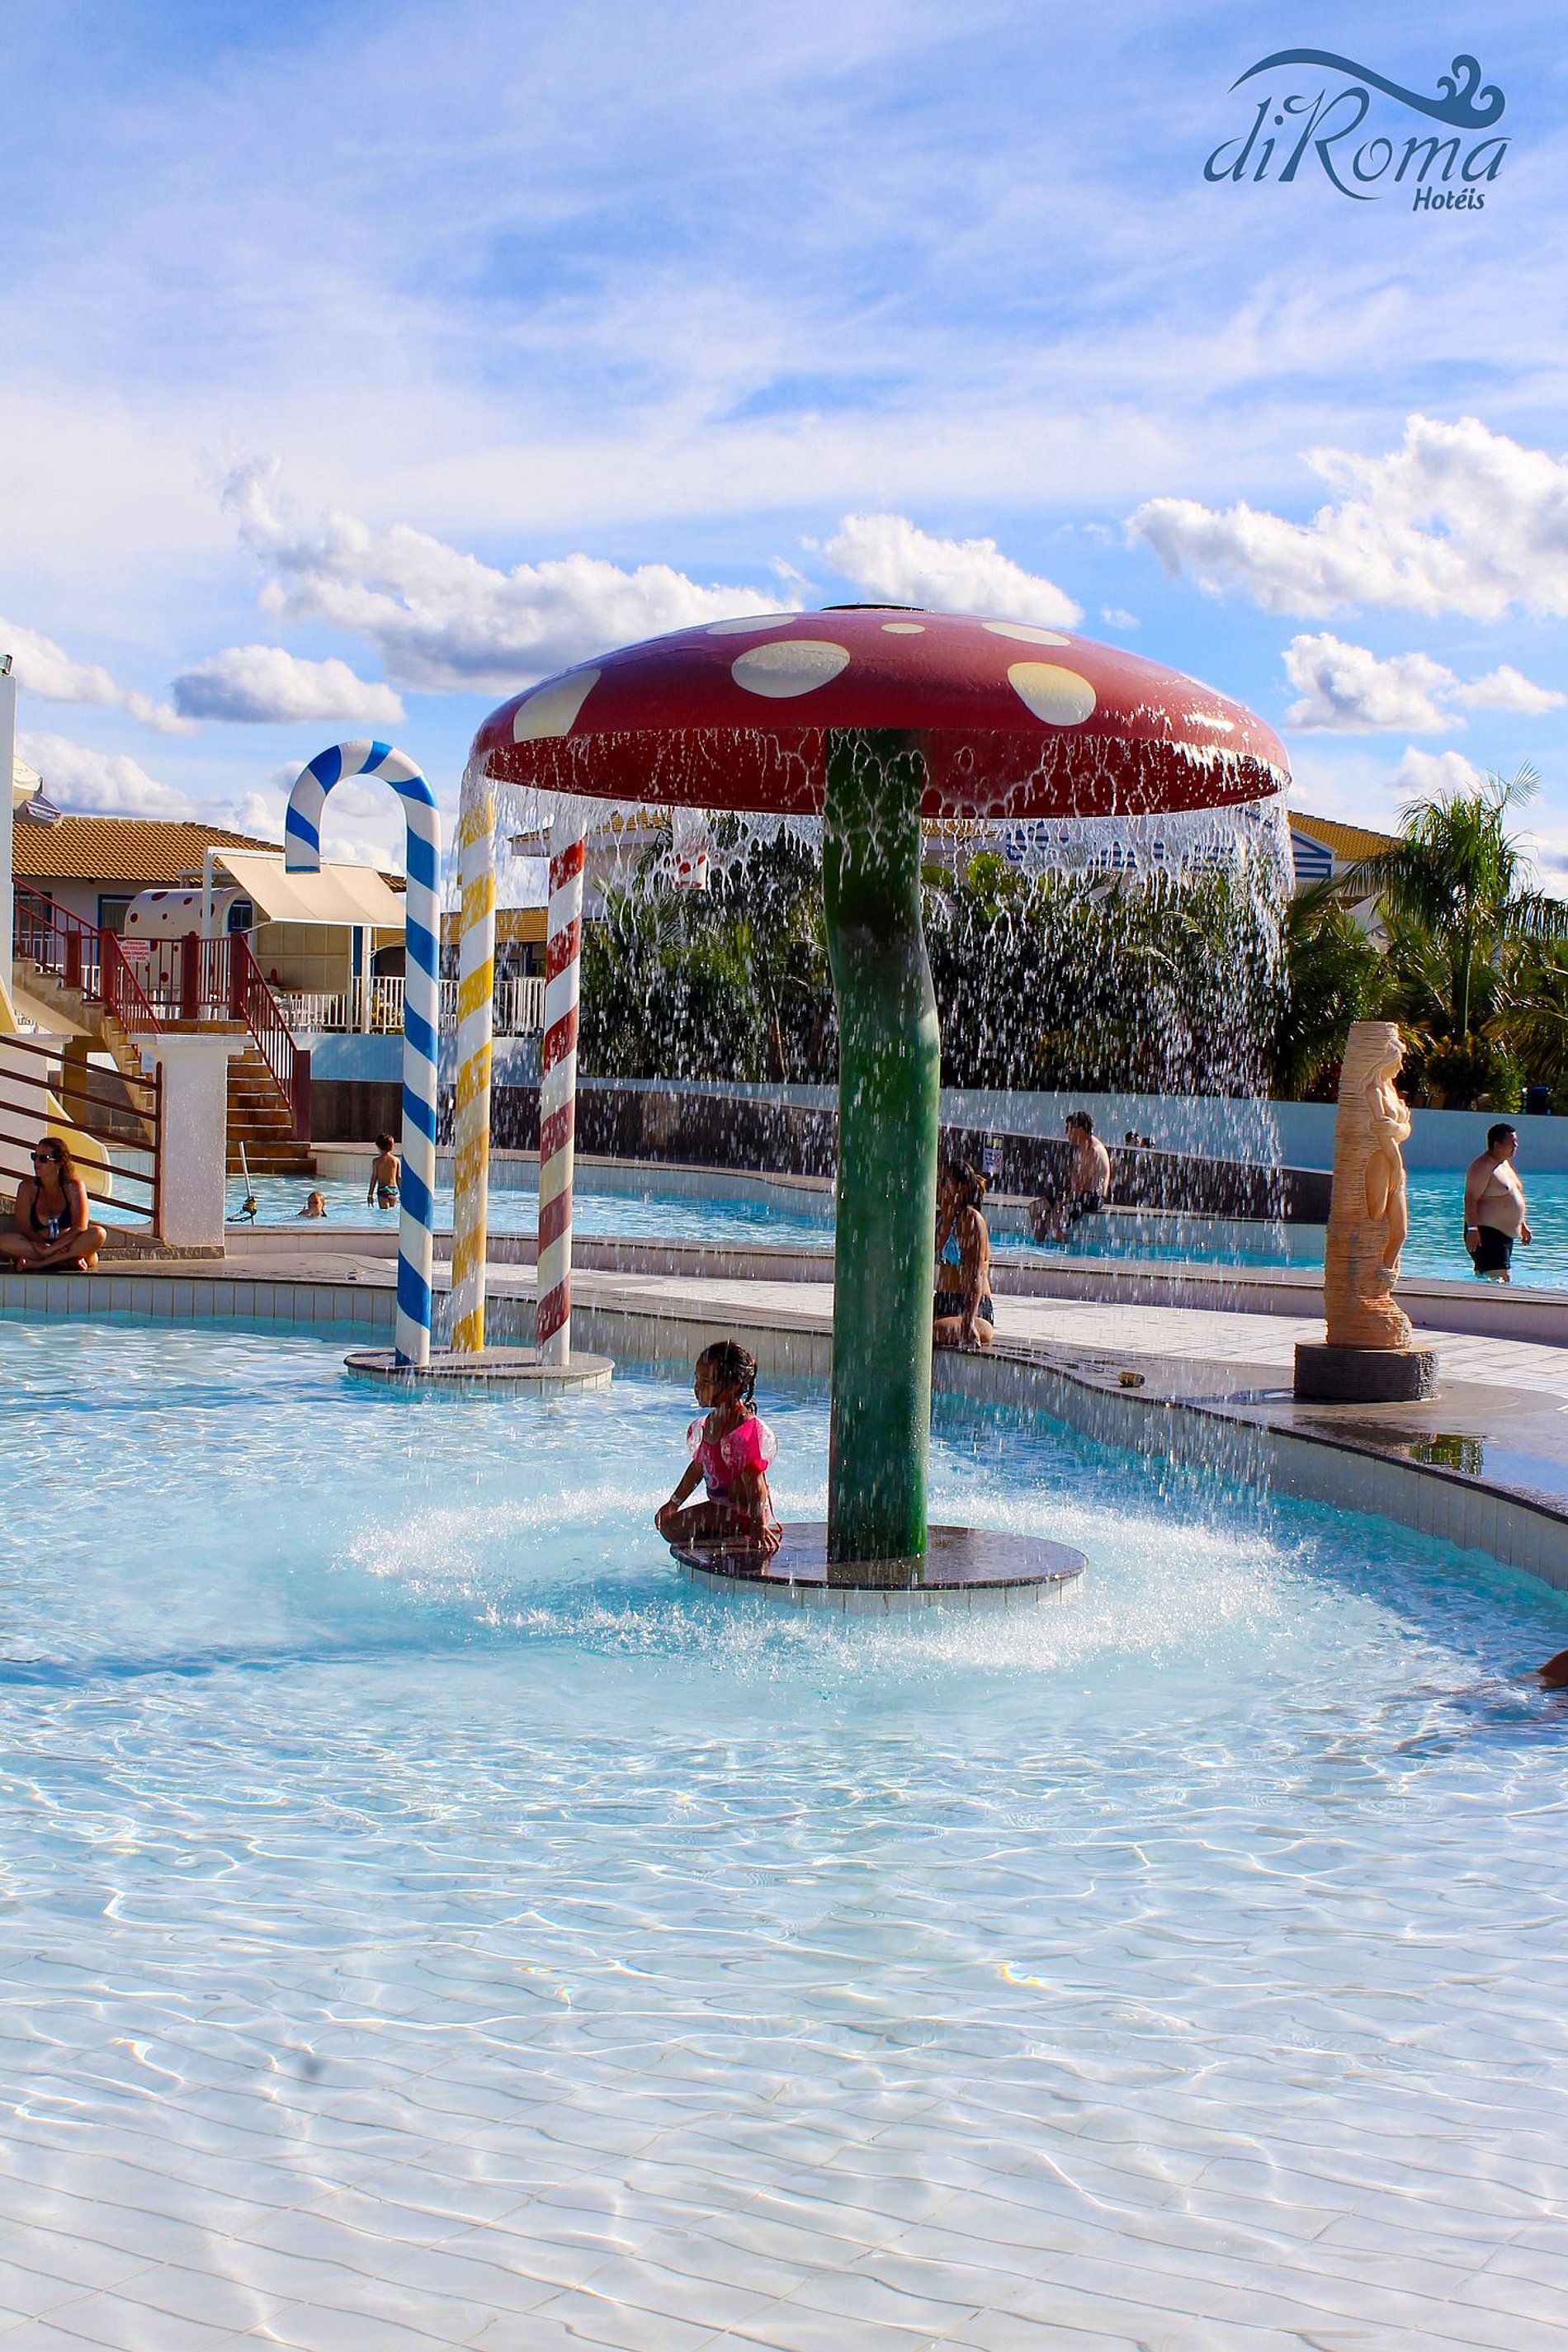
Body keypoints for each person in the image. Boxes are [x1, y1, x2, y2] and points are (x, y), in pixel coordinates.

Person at [656, 1339, 782, 1557]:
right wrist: (673, 1502)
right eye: (697, 1379)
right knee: (669, 1525)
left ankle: (736, 1532)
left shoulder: (741, 1430)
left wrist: (758, 1525)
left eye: (706, 1382)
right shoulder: (710, 1423)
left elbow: (756, 1484)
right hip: (723, 1507)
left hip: (742, 1513)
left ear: (733, 1385)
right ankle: (723, 1536)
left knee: (671, 1529)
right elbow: (698, 1467)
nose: (697, 1387)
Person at [5, 1138, 107, 1271]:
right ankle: (65, 1261)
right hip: (41, 1247)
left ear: (59, 1163)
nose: (36, 1163)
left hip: (68, 1244)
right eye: (34, 1157)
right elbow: (25, 1228)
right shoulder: (27, 1188)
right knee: (4, 1241)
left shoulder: (74, 1187)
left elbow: (80, 1227)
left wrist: (53, 1248)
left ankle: (41, 1264)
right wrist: (43, 1245)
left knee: (98, 1233)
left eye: (43, 1159)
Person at [933, 1159, 994, 1349]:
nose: (937, 1187)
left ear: (962, 1188)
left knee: (925, 1333)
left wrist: (968, 1322)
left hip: (974, 1310)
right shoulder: (937, 1220)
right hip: (943, 1302)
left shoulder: (971, 1220)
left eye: (944, 1182)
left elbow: (976, 1275)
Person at [1031, 1112, 1112, 1242]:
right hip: (1078, 1194)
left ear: (1079, 1129)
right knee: (1035, 1208)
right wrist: (1061, 1199)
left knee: (1055, 1224)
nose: (1066, 1133)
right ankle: (1038, 1246)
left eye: (1068, 1128)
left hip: (1091, 1197)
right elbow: (1075, 1182)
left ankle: (1062, 1251)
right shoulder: (1083, 1147)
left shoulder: (1092, 1150)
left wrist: (1061, 1203)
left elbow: (1082, 1187)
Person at [1464, 1122, 1530, 1282]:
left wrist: (1522, 1224)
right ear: (1497, 1145)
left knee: (1488, 1279)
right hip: (1487, 1232)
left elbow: (1512, 1196)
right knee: (1501, 1279)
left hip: (1504, 1234)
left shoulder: (1504, 1164)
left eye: (1516, 1142)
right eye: (1511, 1143)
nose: (1515, 1146)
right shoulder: (1482, 1166)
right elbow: (1470, 1198)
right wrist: (1472, 1229)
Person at [367, 1133, 400, 1211]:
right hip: (393, 1189)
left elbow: (374, 1178)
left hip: (383, 1190)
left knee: (384, 1211)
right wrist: (403, 1193)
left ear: (378, 1146)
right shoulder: (396, 1160)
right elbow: (398, 1178)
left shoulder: (376, 1161)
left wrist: (370, 1194)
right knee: (391, 1211)